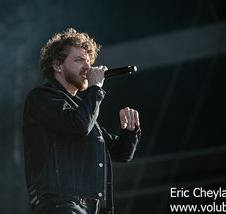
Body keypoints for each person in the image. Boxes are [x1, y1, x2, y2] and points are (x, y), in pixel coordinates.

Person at [22, 28, 141, 214]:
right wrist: (95, 90)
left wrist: (130, 132)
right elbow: (78, 126)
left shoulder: (81, 108)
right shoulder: (42, 98)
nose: (87, 67)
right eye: (79, 60)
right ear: (57, 65)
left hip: (90, 208)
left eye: (88, 61)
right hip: (62, 203)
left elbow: (119, 154)